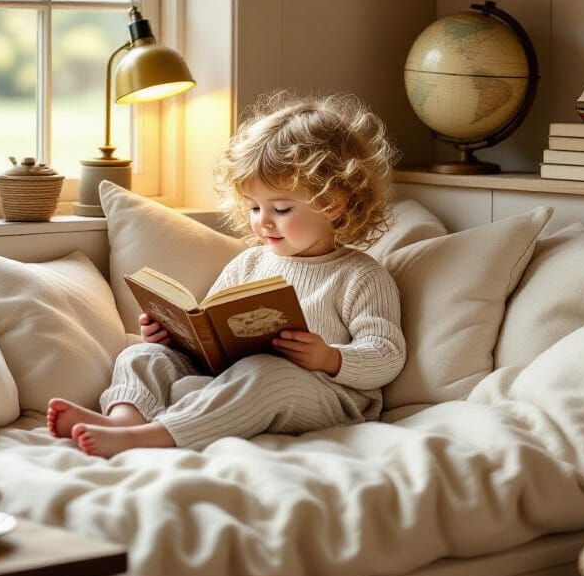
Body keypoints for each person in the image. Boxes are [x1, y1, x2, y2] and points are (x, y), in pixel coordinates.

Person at [47, 92, 406, 459]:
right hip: (234, 380)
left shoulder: (361, 276)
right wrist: (172, 337)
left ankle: (155, 435)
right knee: (143, 354)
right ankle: (124, 419)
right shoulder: (248, 263)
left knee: (267, 372)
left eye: (280, 208)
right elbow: (211, 336)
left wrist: (330, 358)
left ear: (333, 203)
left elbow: (387, 355)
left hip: (326, 397)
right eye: (253, 207)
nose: (262, 221)